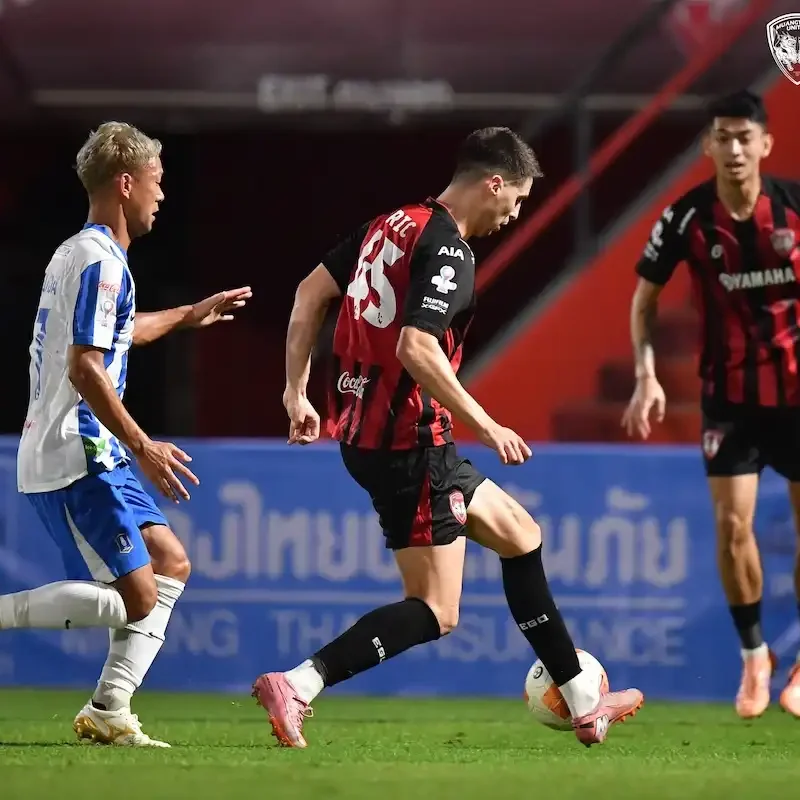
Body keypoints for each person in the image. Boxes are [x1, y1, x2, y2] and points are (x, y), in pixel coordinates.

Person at [254, 126, 644, 749]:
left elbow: (309, 293)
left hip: (371, 434)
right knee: (436, 610)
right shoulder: (449, 249)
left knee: (520, 535)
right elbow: (416, 346)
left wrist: (295, 392)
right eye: (516, 199)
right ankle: (300, 682)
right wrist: (487, 424)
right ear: (493, 182)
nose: (514, 215)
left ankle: (581, 698)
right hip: (410, 444)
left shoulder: (389, 226)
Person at [0, 121, 251, 746]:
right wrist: (144, 444)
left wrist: (186, 315)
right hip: (78, 449)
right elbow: (85, 364)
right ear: (126, 183)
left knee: (171, 564)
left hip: (89, 448)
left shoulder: (79, 253)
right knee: (138, 597)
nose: (162, 195)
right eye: (156, 182)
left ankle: (110, 707)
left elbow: (118, 332)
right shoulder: (100, 263)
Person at [622, 89, 800, 719]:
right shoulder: (686, 218)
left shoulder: (794, 207)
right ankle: (755, 657)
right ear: (707, 146)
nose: (734, 149)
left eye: (744, 137)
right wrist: (646, 375)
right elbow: (644, 301)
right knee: (731, 529)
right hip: (730, 399)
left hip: (799, 395)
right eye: (722, 137)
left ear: (765, 144)